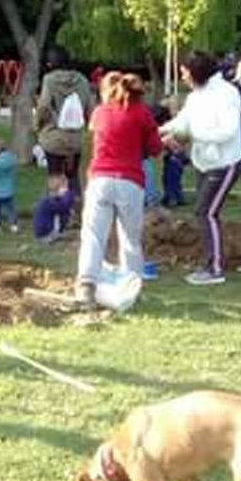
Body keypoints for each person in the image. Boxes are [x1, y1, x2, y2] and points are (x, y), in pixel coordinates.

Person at [75, 72, 162, 307]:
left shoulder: (100, 113)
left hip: (100, 179)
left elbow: (95, 140)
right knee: (130, 238)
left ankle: (86, 285)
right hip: (130, 181)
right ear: (139, 94)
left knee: (93, 235)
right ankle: (131, 288)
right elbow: (155, 149)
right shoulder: (142, 114)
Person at [160, 52, 241, 286]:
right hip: (204, 163)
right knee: (206, 213)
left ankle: (214, 269)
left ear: (196, 72)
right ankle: (209, 261)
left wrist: (192, 135)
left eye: (185, 72)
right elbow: (183, 122)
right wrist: (159, 131)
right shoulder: (196, 96)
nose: (183, 77)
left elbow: (227, 131)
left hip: (225, 162)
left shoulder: (227, 93)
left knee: (205, 212)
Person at [35, 45, 96, 198]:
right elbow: (91, 110)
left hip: (53, 137)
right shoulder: (82, 79)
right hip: (76, 139)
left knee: (55, 176)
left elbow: (44, 108)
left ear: (50, 64)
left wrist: (36, 126)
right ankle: (75, 211)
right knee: (72, 175)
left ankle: (57, 212)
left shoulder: (49, 80)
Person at [33, 174, 74, 244]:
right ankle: (52, 235)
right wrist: (68, 194)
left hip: (44, 231)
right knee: (65, 212)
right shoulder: (49, 201)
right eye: (65, 188)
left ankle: (56, 233)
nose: (67, 189)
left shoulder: (50, 198)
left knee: (66, 213)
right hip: (44, 233)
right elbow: (64, 207)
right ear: (58, 189)